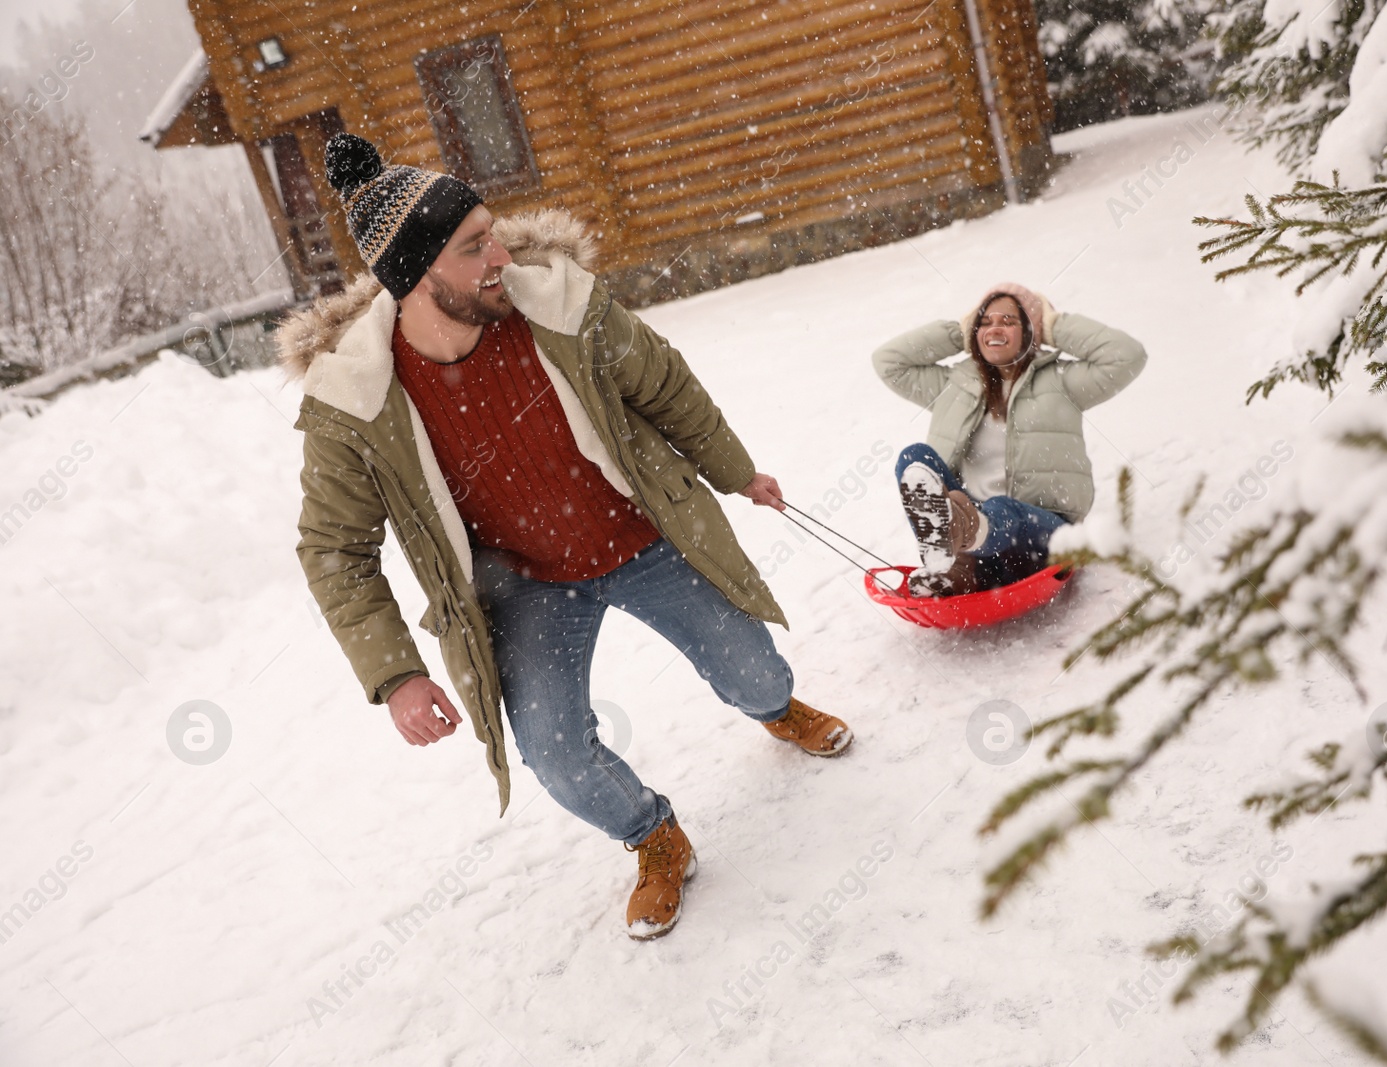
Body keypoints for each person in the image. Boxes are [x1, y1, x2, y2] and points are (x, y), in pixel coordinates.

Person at [278, 133, 853, 941]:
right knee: (554, 752)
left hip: (638, 535)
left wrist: (735, 470)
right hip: (524, 585)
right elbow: (333, 549)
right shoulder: (354, 401)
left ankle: (775, 708)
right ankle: (655, 836)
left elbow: (665, 384)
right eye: (474, 245)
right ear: (416, 276)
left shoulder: (562, 310)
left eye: (494, 232)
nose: (501, 255)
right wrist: (395, 674)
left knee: (753, 669)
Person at [872, 283, 1147, 597]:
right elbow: (888, 362)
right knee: (914, 458)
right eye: (985, 322)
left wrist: (1053, 326)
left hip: (1043, 534)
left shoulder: (1062, 382)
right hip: (972, 542)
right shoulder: (955, 384)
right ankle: (953, 565)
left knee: (1002, 508)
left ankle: (967, 545)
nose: (994, 328)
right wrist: (959, 333)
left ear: (1031, 331)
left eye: (1008, 321)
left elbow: (1127, 356)